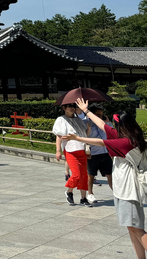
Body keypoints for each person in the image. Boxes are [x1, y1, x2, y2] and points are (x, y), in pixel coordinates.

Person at [63, 99, 147, 257]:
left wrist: (78, 139)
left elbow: (100, 142)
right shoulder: (129, 137)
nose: (113, 128)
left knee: (136, 227)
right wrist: (87, 112)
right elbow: (103, 125)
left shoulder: (124, 142)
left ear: (121, 127)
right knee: (131, 227)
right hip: (126, 189)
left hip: (128, 191)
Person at [53, 102, 91, 206]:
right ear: (64, 108)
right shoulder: (61, 119)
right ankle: (69, 191)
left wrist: (88, 129)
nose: (72, 108)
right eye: (69, 106)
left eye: (73, 106)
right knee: (76, 174)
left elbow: (83, 136)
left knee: (84, 175)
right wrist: (58, 151)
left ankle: (83, 198)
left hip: (81, 149)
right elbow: (59, 136)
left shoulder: (79, 120)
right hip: (70, 150)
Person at [85, 105, 113, 203]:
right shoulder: (87, 123)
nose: (100, 117)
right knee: (91, 175)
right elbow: (84, 138)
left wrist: (108, 122)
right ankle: (90, 193)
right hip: (93, 154)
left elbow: (113, 133)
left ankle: (116, 192)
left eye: (101, 115)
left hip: (105, 153)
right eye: (97, 115)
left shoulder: (104, 124)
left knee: (110, 174)